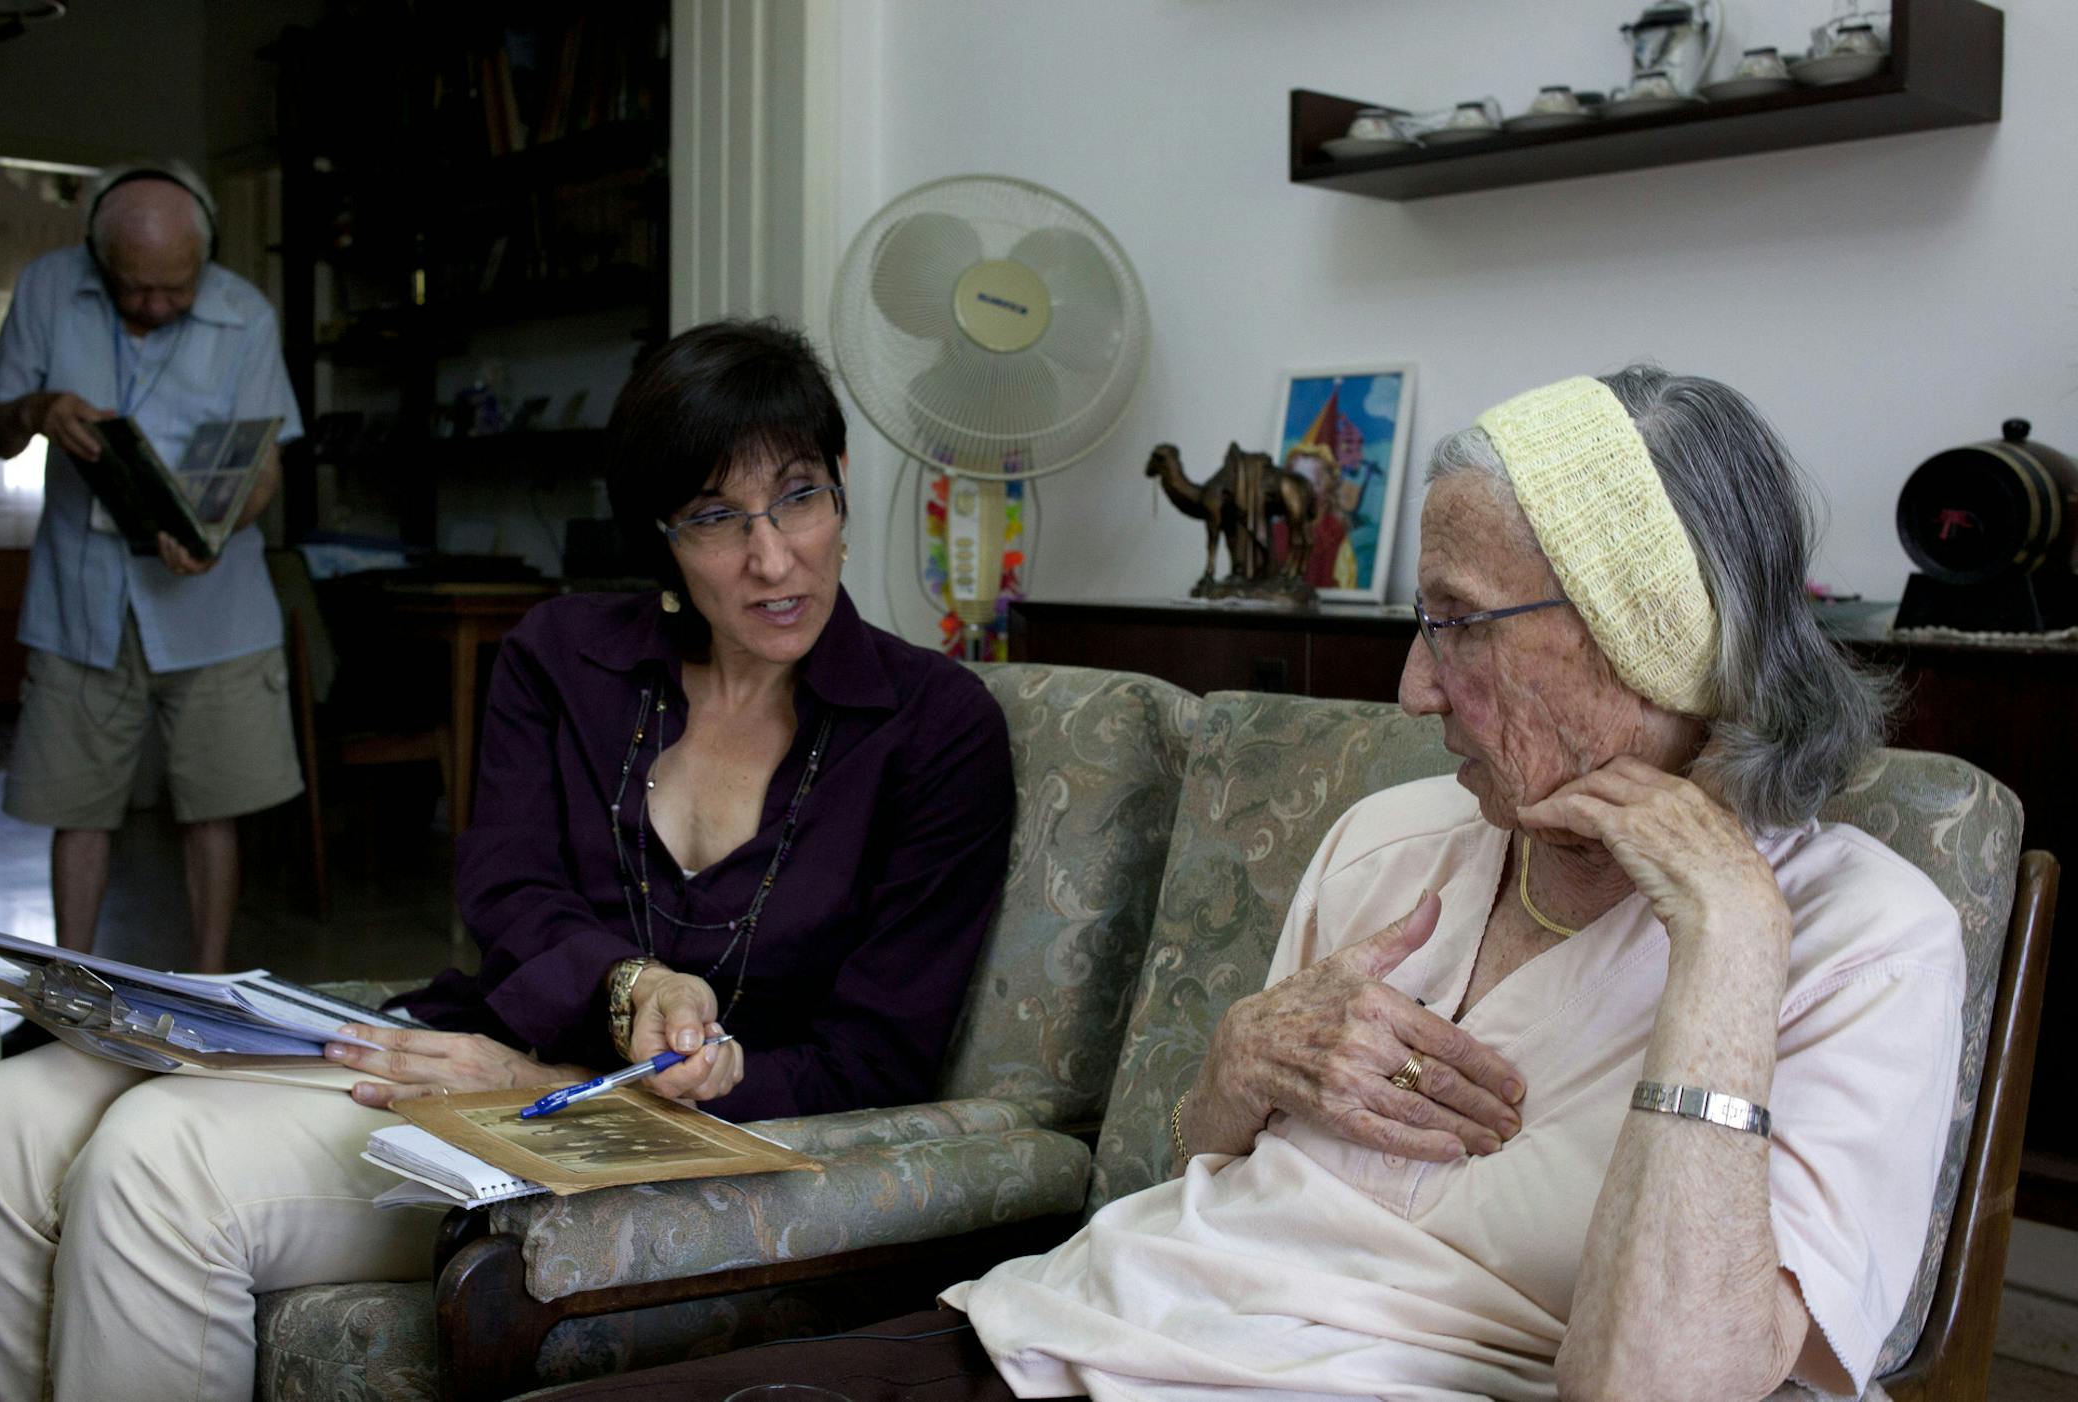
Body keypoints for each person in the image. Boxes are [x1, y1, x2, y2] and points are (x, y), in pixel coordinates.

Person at [537, 368, 1961, 1402]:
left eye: (1459, 627)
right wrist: (1238, 1055)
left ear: (1656, 637)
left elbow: (1664, 1389)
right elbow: (1194, 1177)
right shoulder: (1401, 838)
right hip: (1058, 1333)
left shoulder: (1855, 938)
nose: (1413, 687)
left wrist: (1723, 956)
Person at [0, 318, 1015, 1398]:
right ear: (659, 537)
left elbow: (876, 1061)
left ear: (841, 484)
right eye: (715, 517)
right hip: (458, 1052)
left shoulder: (930, 726)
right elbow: (508, 891)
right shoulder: (565, 658)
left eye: (800, 497)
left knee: (158, 1160)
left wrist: (558, 1082)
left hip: (633, 1146)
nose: (773, 556)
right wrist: (626, 981)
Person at [0, 160, 305, 974]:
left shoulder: (246, 312)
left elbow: (264, 467)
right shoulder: (48, 289)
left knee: (213, 808)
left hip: (215, 602)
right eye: (136, 290)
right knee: (75, 808)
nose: (157, 306)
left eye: (176, 288)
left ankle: (209, 993)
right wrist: (38, 410)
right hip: (78, 599)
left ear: (205, 256)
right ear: (97, 258)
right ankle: (68, 999)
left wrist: (218, 530)